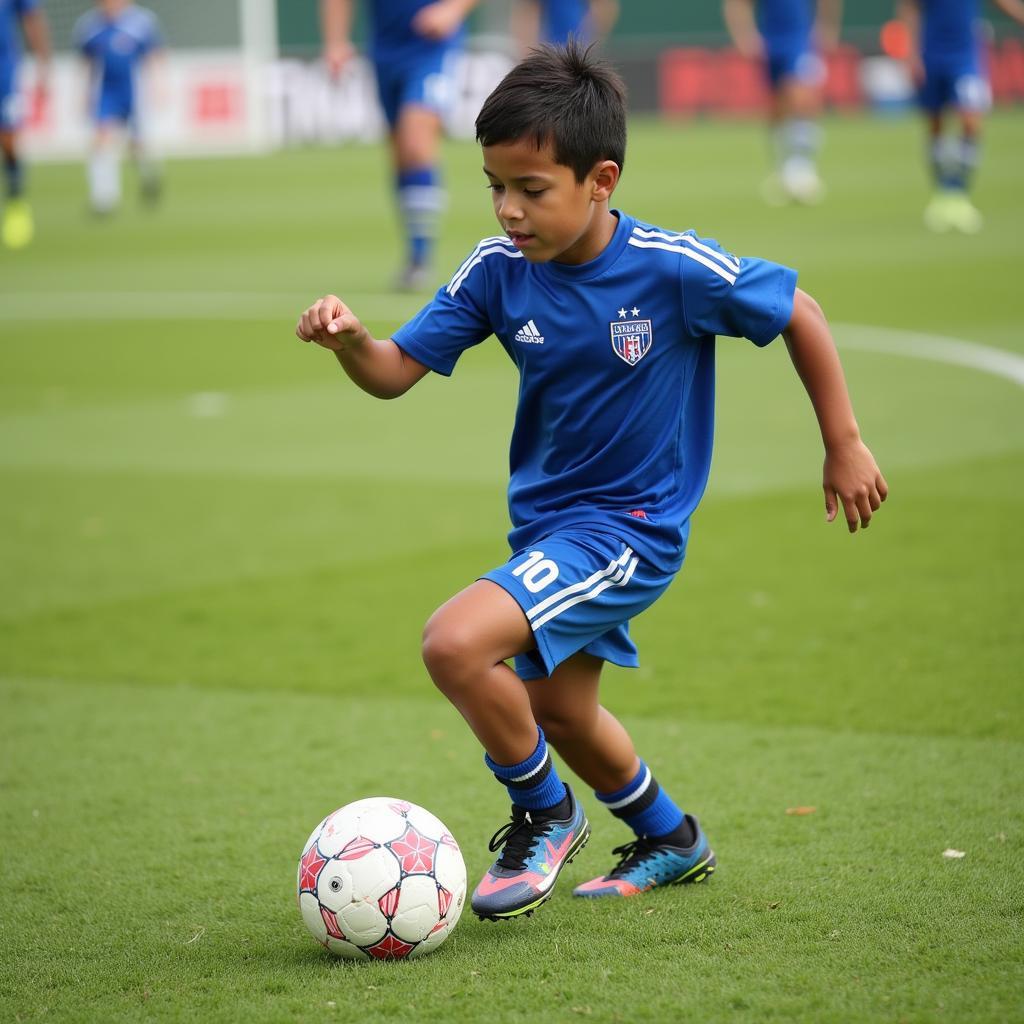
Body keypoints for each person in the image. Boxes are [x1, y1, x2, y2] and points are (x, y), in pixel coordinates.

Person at [295, 42, 887, 920]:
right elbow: (391, 372)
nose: (508, 210)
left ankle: (545, 814)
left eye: (532, 190)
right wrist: (350, 341)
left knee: (455, 644)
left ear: (600, 179)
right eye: (495, 185)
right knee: (560, 713)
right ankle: (671, 839)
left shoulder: (670, 268)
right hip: (548, 531)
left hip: (629, 532)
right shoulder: (494, 273)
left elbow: (799, 310)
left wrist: (842, 441)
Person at [321, 0, 481, 291]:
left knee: (416, 144)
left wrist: (452, 10)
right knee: (400, 154)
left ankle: (421, 256)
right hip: (384, 51)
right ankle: (414, 253)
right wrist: (335, 42)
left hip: (433, 47)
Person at [897, 0, 1024, 234]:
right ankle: (942, 194)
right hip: (931, 55)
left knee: (970, 121)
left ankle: (958, 192)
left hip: (966, 57)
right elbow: (909, 8)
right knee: (935, 127)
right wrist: (910, 55)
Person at [722, 0, 842, 204]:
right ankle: (783, 168)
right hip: (770, 41)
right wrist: (744, 36)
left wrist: (827, 28)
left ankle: (802, 167)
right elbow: (737, 4)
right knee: (777, 108)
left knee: (801, 95)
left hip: (801, 38)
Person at [73, 0, 163, 216]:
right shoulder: (89, 25)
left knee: (137, 145)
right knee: (101, 141)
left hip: (133, 91)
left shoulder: (141, 22)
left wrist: (159, 84)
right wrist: (82, 93)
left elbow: (154, 54)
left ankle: (149, 176)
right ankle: (104, 197)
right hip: (106, 93)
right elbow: (85, 61)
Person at [0, 0, 49, 249]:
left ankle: (16, 202)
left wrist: (43, 67)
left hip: (3, 71)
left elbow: (33, 18)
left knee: (8, 139)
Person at [511, 0, 619, 49]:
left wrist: (591, 40)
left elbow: (604, 8)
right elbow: (529, 13)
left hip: (579, 50)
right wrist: (528, 51)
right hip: (548, 52)